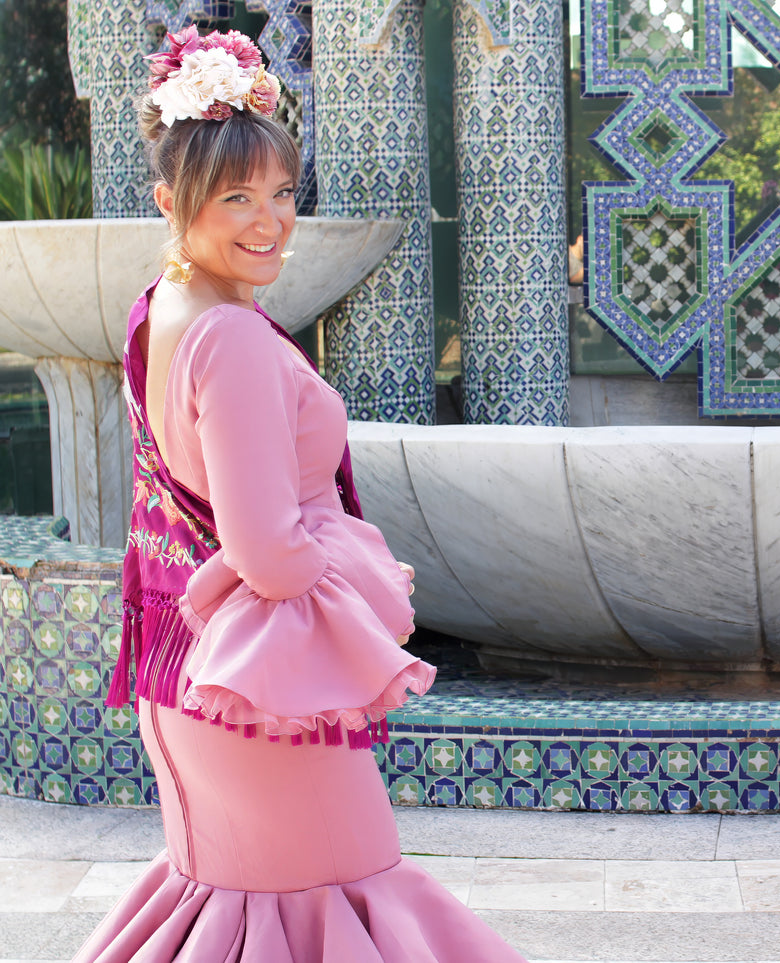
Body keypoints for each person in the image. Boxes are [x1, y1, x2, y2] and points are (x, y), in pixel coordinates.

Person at [73, 26, 527, 961]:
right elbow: (269, 556)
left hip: (193, 672)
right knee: (332, 906)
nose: (269, 220)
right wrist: (357, 563)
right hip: (255, 683)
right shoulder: (233, 339)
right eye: (235, 196)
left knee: (232, 908)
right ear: (171, 200)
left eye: (281, 192)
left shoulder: (160, 309)